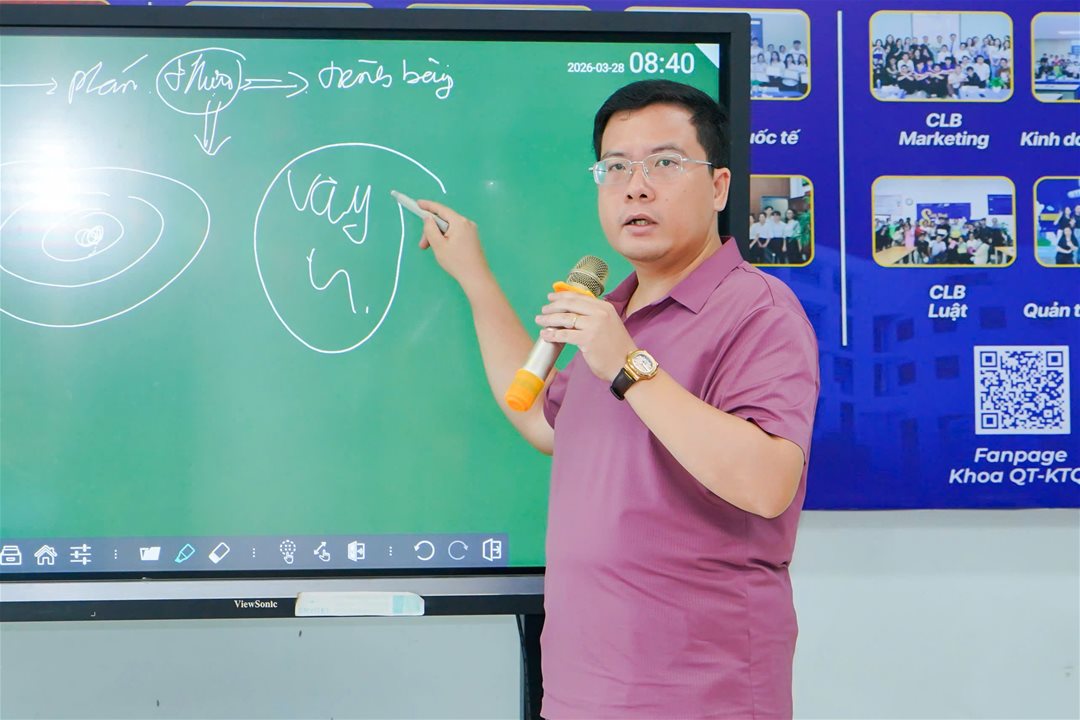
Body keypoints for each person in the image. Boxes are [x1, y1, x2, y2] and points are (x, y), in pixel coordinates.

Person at [415, 79, 819, 718]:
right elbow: (544, 420)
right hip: (581, 691)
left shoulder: (758, 310)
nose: (636, 187)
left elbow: (768, 483)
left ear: (719, 186)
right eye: (615, 168)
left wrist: (627, 365)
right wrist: (474, 275)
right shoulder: (614, 313)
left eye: (665, 163)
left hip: (700, 696)